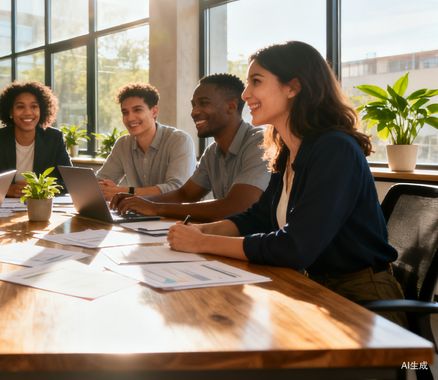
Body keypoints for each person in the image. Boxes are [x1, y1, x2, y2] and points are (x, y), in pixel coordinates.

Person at [166, 41, 407, 327]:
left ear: (293, 87)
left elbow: (295, 247)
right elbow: (258, 217)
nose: (245, 94)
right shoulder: (289, 149)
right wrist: (200, 230)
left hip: (360, 299)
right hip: (311, 285)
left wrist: (205, 242)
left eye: (256, 82)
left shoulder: (334, 149)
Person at [112, 74, 270, 222]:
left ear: (231, 106)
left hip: (262, 246)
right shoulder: (212, 152)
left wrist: (154, 208)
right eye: (193, 105)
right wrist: (136, 201)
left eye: (204, 103)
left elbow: (237, 207)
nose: (194, 112)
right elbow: (185, 194)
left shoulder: (260, 143)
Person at [0, 81, 72, 197]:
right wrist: (6, 190)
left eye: (34, 106)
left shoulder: (54, 138)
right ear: (10, 111)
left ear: (41, 111)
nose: (27, 112)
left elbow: (69, 182)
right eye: (20, 106)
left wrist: (41, 189)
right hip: (2, 209)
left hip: (41, 206)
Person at [96, 82, 195, 201]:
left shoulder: (179, 140)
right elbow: (101, 180)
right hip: (140, 216)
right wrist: (100, 186)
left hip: (174, 216)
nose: (130, 118)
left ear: (154, 111)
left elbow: (176, 189)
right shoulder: (123, 144)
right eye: (125, 112)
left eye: (137, 110)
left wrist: (123, 192)